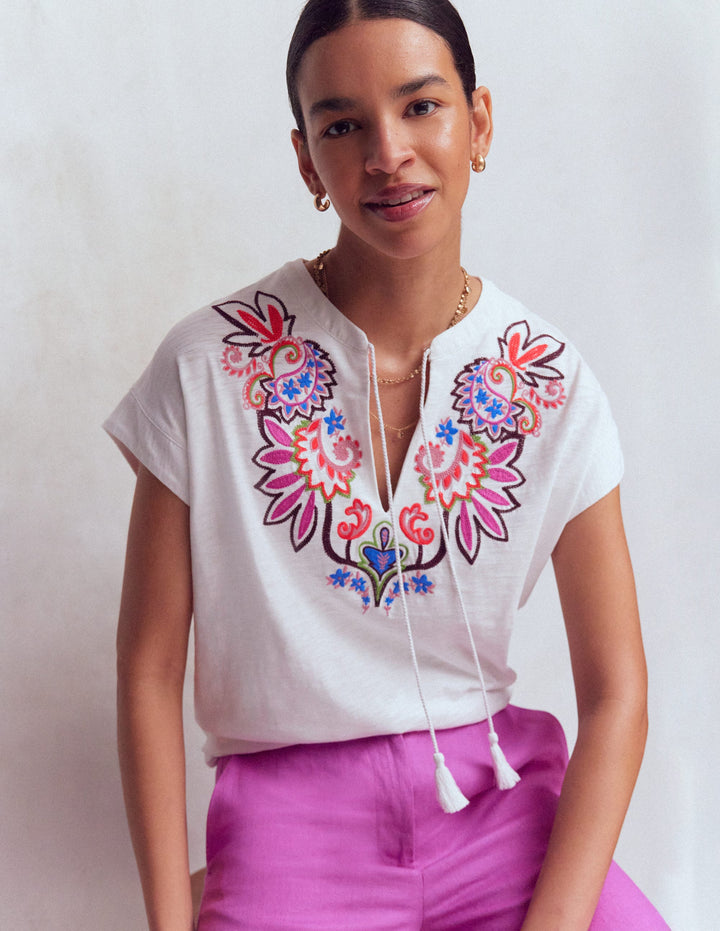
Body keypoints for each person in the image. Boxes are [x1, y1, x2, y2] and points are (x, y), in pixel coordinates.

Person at [105, 1, 670, 928]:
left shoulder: (551, 380)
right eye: (343, 126)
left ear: (478, 122)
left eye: (421, 107)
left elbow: (618, 693)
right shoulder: (206, 367)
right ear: (306, 162)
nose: (388, 153)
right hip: (292, 832)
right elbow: (147, 669)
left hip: (501, 811)